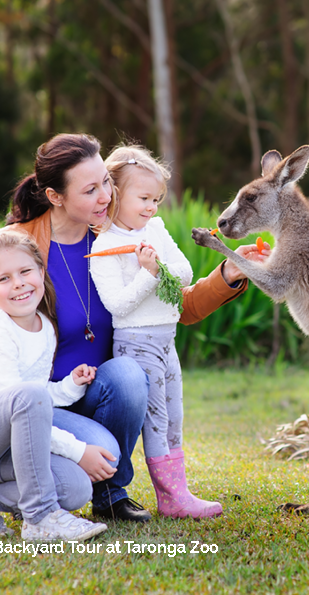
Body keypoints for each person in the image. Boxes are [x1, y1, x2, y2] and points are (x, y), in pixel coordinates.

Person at [0, 133, 263, 522]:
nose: (106, 196)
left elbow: (177, 307)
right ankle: (10, 486)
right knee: (84, 468)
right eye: (90, 190)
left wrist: (227, 273)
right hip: (42, 401)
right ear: (56, 197)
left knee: (128, 375)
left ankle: (111, 495)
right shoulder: (21, 245)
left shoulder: (116, 236)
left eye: (105, 181)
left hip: (93, 388)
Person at [0, 228, 113, 540]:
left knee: (76, 486)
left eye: (26, 271)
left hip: (1, 451)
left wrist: (70, 386)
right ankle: (41, 517)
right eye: (4, 279)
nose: (18, 284)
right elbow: (23, 400)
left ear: (42, 272)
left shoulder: (44, 329)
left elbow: (35, 404)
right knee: (31, 400)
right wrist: (78, 449)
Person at [90, 144, 219, 518]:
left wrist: (156, 266)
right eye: (144, 198)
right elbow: (118, 305)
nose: (151, 207)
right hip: (136, 343)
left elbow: (185, 272)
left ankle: (176, 494)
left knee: (174, 413)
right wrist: (149, 274)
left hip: (167, 339)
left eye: (157, 200)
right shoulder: (106, 247)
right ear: (114, 194)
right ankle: (172, 497)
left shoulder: (155, 229)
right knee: (156, 419)